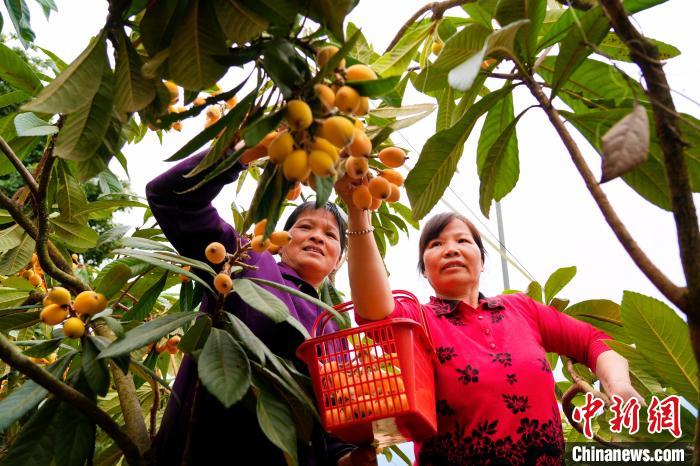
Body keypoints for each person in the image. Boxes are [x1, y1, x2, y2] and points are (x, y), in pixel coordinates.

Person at [335, 177, 642, 465]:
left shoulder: (522, 309)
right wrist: (358, 213)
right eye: (436, 244)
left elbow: (594, 341)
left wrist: (618, 384)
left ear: (481, 261)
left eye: (463, 241)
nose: (451, 249)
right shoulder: (418, 317)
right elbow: (375, 311)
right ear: (424, 271)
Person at [146, 148, 376, 466]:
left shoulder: (333, 329)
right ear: (281, 239)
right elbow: (171, 196)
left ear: (339, 261)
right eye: (305, 227)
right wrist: (244, 149)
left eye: (330, 234)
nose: (317, 238)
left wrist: (348, 459)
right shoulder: (248, 260)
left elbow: (328, 425)